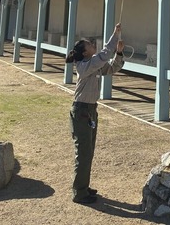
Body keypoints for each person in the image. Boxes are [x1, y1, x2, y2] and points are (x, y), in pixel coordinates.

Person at [65, 23, 124, 205]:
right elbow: (105, 53)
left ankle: (83, 187)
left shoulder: (93, 65)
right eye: (89, 45)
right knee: (83, 153)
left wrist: (119, 53)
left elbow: (112, 67)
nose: (92, 45)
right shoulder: (84, 66)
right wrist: (115, 34)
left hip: (91, 111)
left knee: (88, 152)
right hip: (81, 110)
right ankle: (79, 193)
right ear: (84, 52)